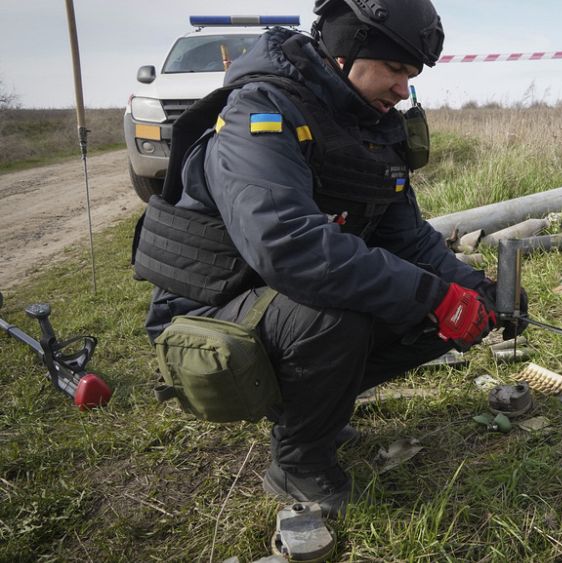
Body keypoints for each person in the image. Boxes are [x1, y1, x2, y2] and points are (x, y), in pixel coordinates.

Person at [135, 0, 526, 518]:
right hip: (205, 323)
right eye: (394, 69)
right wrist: (432, 293)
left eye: (409, 75)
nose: (402, 88)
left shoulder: (369, 128)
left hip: (275, 308)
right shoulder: (260, 112)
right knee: (340, 312)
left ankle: (313, 409)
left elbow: (409, 241)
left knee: (444, 314)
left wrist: (476, 290)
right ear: (346, 51)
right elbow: (289, 246)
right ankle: (298, 462)